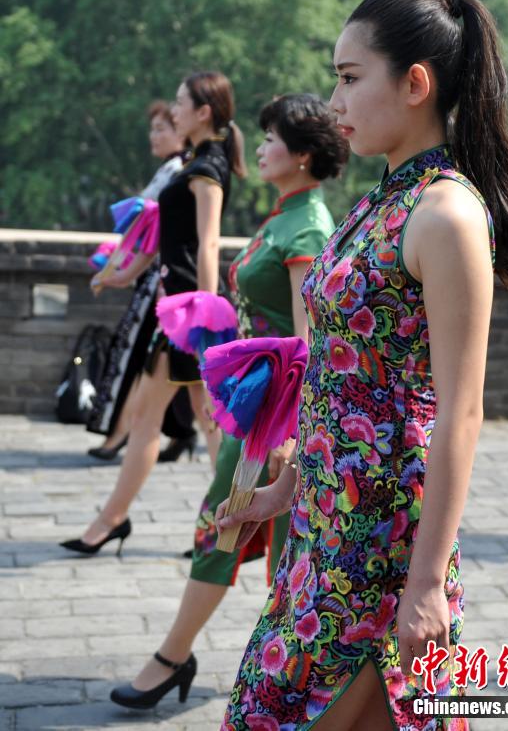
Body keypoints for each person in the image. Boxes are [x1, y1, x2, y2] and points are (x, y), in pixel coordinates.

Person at [216, 0, 508, 730]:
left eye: (349, 76)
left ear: (415, 83)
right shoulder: (382, 200)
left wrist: (425, 583)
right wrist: (286, 488)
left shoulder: (446, 214)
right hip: (324, 528)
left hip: (384, 546)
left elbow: (460, 411)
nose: (335, 99)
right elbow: (339, 370)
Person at [109, 93, 350, 710]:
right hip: (255, 408)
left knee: (246, 528)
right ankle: (211, 661)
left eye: (271, 139)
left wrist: (290, 435)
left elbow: (309, 342)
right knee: (233, 526)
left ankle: (191, 661)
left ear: (302, 155)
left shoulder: (308, 227)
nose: (259, 148)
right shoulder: (285, 216)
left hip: (276, 418)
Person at [60, 70, 246, 556]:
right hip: (180, 311)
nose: (174, 109)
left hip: (189, 313)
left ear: (203, 112)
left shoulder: (207, 167)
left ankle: (221, 525)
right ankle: (224, 525)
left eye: (182, 103)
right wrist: (118, 274)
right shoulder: (195, 162)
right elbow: (165, 240)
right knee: (197, 420)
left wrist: (204, 315)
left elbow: (208, 244)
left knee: (189, 420)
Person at [87, 100, 197, 463]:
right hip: (161, 275)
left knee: (135, 352)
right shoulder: (177, 169)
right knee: (169, 360)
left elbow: (151, 235)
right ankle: (181, 431)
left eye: (162, 128)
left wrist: (119, 271)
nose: (154, 135)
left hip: (160, 277)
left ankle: (118, 432)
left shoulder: (182, 171)